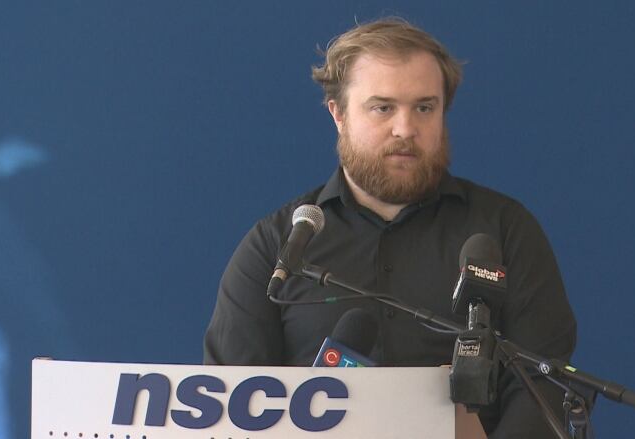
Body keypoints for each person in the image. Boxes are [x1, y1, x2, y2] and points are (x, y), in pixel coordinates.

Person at [204, 17, 576, 437]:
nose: (406, 129)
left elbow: (545, 389)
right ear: (338, 114)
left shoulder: (506, 230)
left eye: (424, 107)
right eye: (383, 107)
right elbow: (229, 400)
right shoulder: (277, 246)